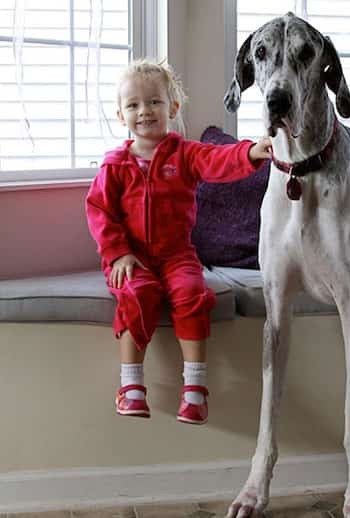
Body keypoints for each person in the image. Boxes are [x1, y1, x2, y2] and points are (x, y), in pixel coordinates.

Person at [85, 59, 271, 425]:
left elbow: (219, 159)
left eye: (154, 102)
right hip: (130, 258)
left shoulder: (185, 154)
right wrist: (118, 253)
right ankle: (131, 387)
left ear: (172, 107)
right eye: (133, 105)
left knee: (192, 294)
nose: (145, 111)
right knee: (137, 294)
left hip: (177, 255)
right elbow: (100, 212)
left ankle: (195, 389)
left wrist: (249, 152)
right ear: (121, 116)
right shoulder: (115, 165)